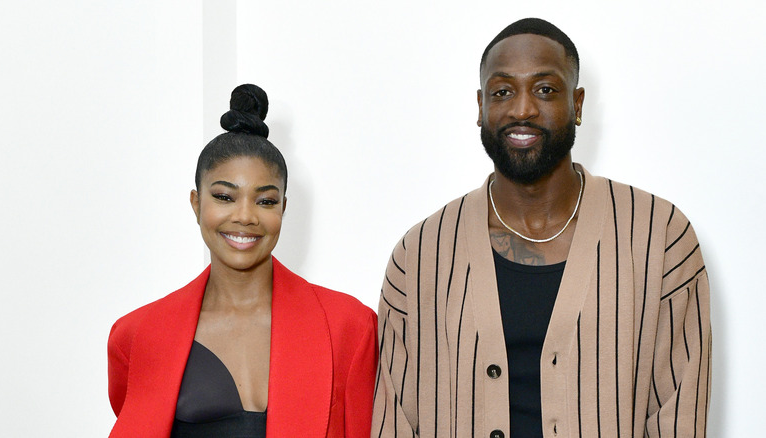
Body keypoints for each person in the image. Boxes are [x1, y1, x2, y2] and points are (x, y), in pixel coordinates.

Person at [372, 18, 711, 438]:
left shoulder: (660, 238)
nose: (522, 109)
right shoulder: (419, 256)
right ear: (480, 107)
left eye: (545, 89)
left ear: (578, 104)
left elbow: (679, 418)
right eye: (502, 92)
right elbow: (395, 422)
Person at [108, 84, 378, 437]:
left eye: (265, 201)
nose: (245, 216)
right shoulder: (135, 336)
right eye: (224, 196)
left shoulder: (350, 328)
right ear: (196, 203)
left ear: (283, 207)